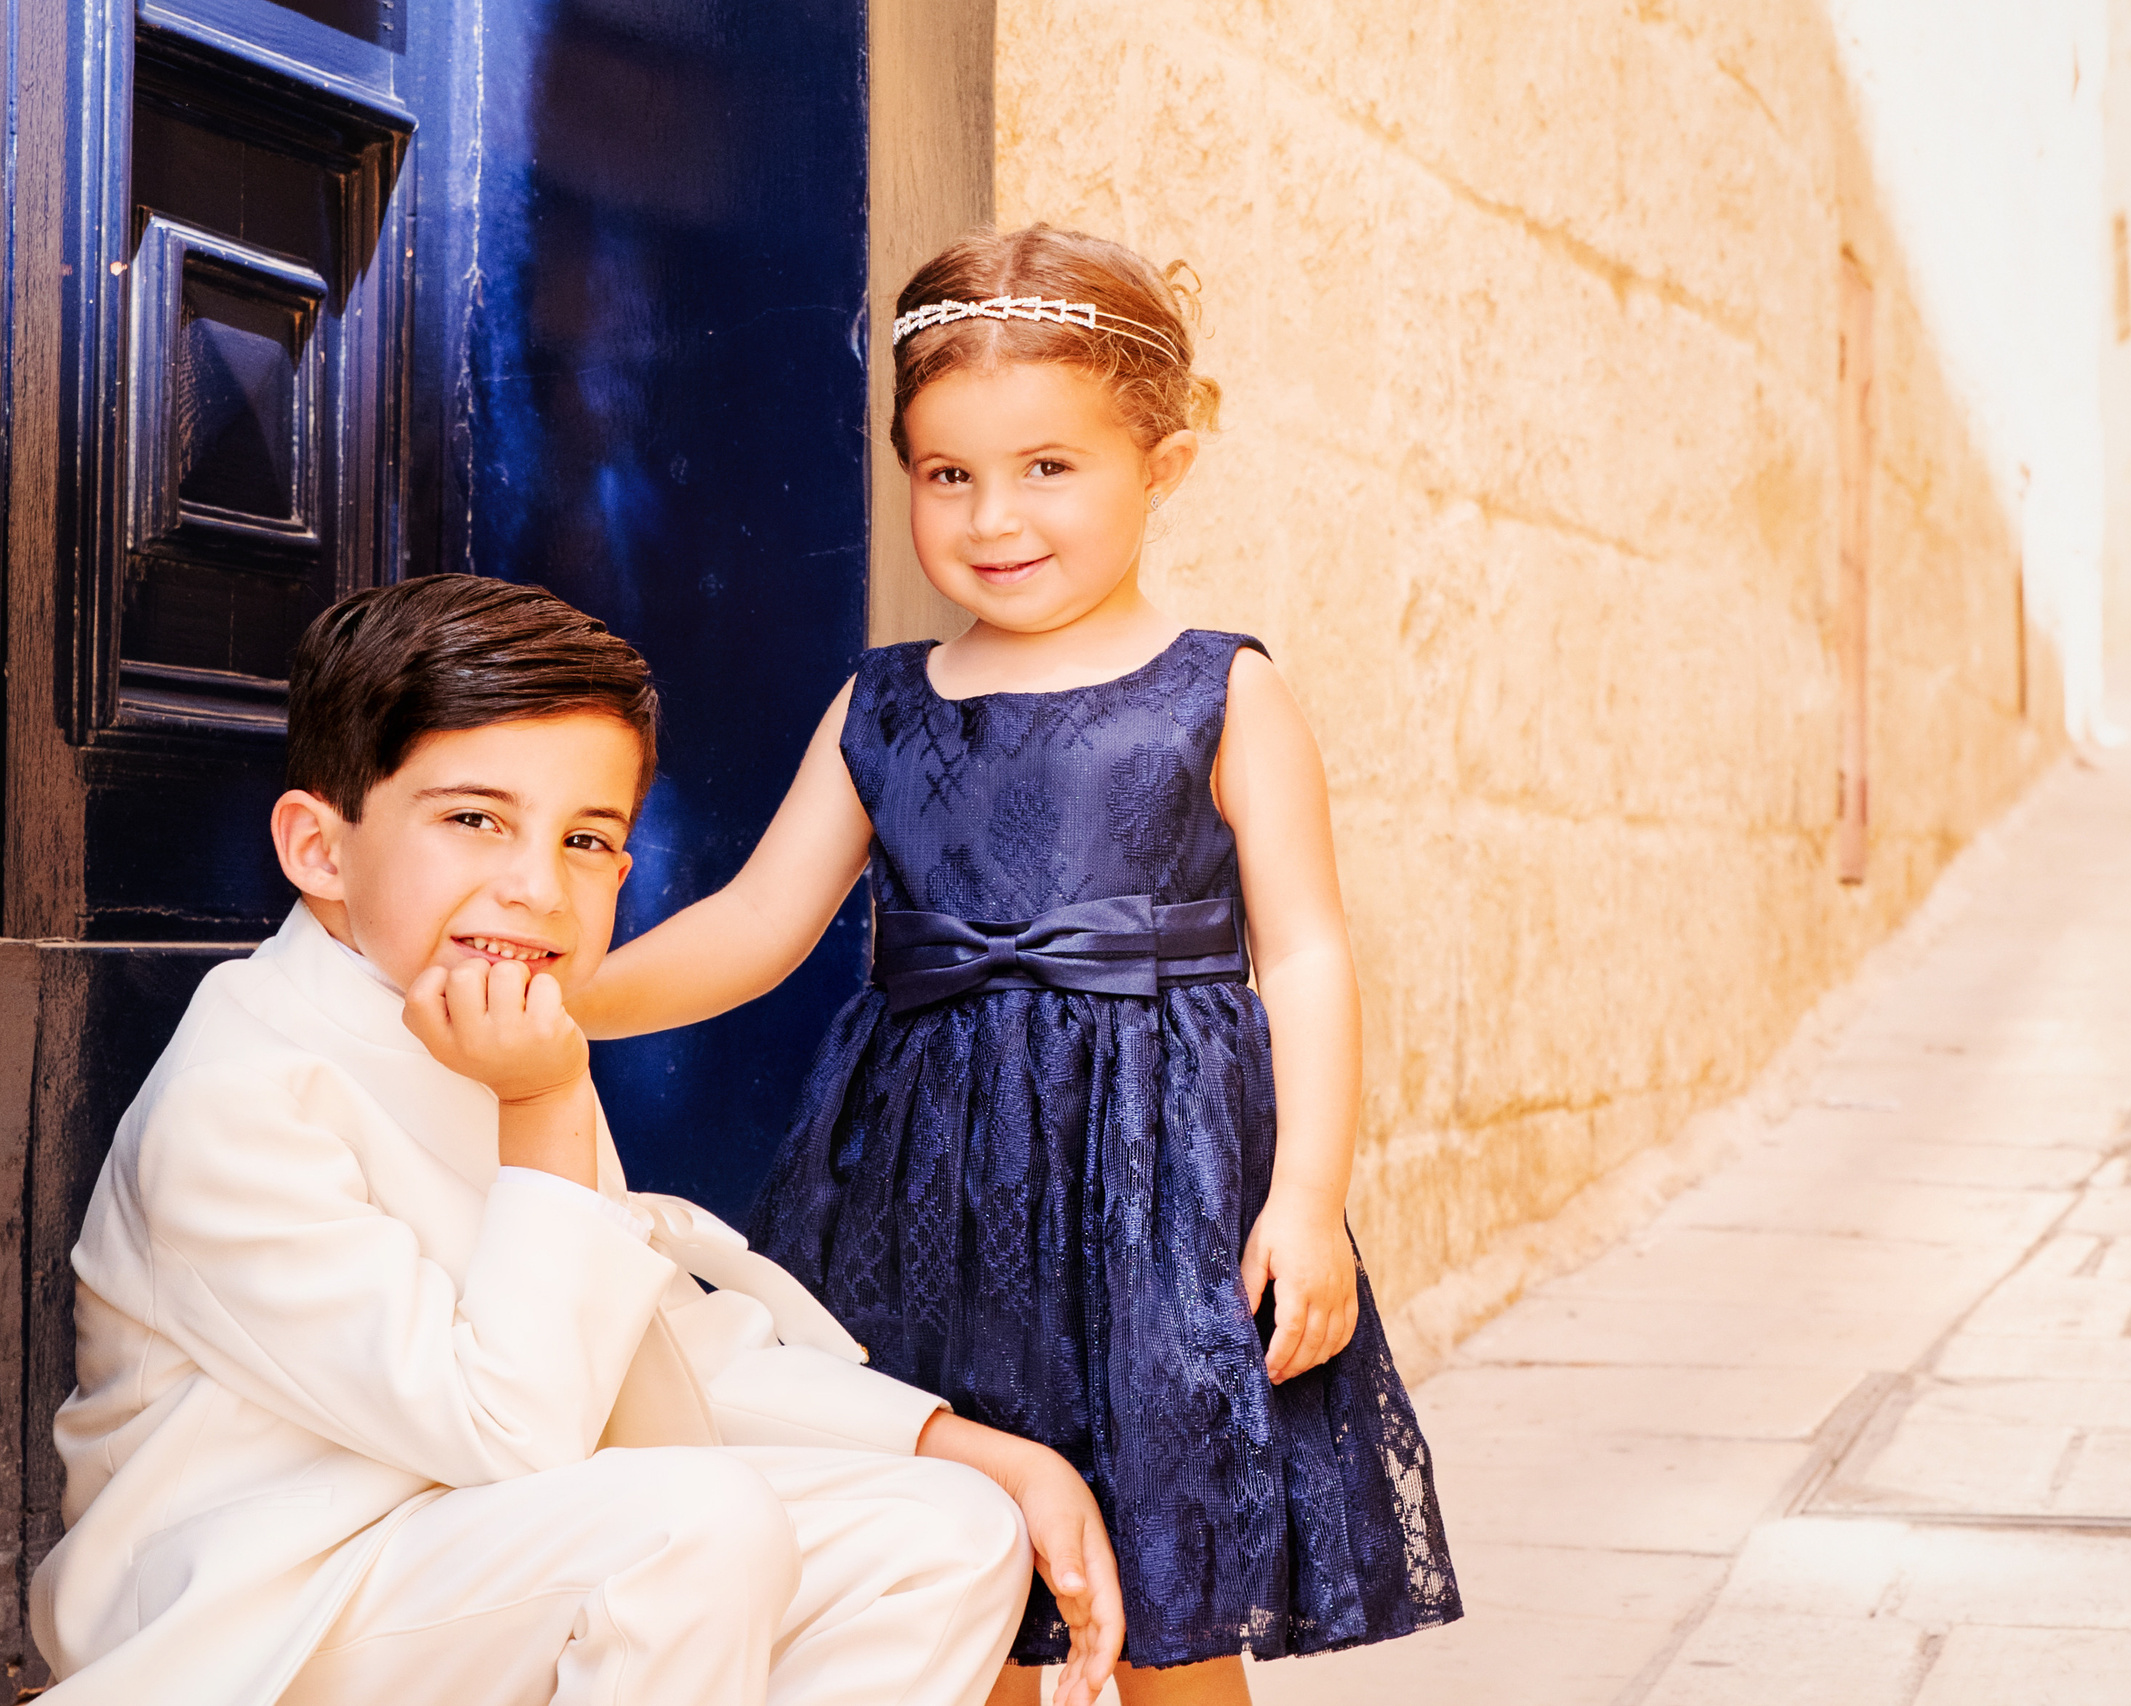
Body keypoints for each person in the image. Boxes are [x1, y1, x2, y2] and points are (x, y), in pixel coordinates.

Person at [572, 226, 1463, 1703]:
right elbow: (755, 922)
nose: (995, 516)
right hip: (925, 1188)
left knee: (1172, 1595)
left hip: (1158, 1196)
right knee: (964, 1568)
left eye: (1051, 466)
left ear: (1162, 464)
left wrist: (1306, 1198)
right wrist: (573, 1001)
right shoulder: (885, 708)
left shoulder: (1219, 690)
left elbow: (1305, 949)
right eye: (948, 474)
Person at [29, 574, 1126, 1706]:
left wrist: (970, 1446)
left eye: (587, 838)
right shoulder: (244, 1093)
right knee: (694, 1523)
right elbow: (512, 1425)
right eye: (473, 818)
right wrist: (545, 1106)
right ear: (318, 848)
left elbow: (643, 1345)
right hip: (262, 1619)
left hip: (470, 1563)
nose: (536, 887)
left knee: (945, 1532)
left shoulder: (495, 1030)